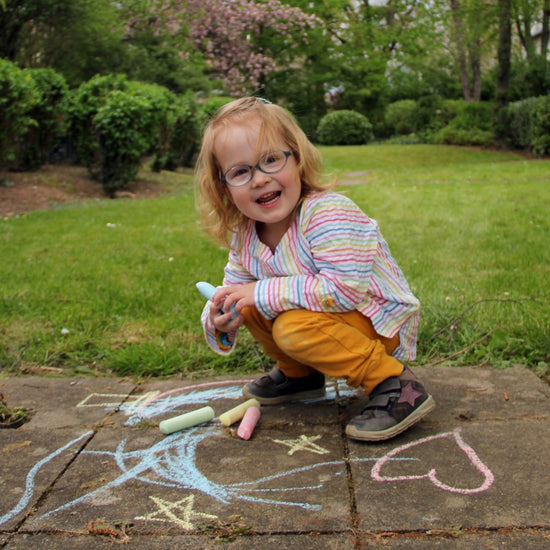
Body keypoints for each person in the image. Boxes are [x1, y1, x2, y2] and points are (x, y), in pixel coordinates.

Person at [196, 97, 435, 442]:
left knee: (288, 323)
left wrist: (257, 293)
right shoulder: (246, 235)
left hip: (376, 322)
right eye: (240, 172)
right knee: (245, 302)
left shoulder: (326, 213)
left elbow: (343, 290)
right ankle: (300, 375)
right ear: (224, 188)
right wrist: (220, 316)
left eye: (271, 160)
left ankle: (394, 383)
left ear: (297, 158)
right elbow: (233, 288)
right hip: (322, 322)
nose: (260, 179)